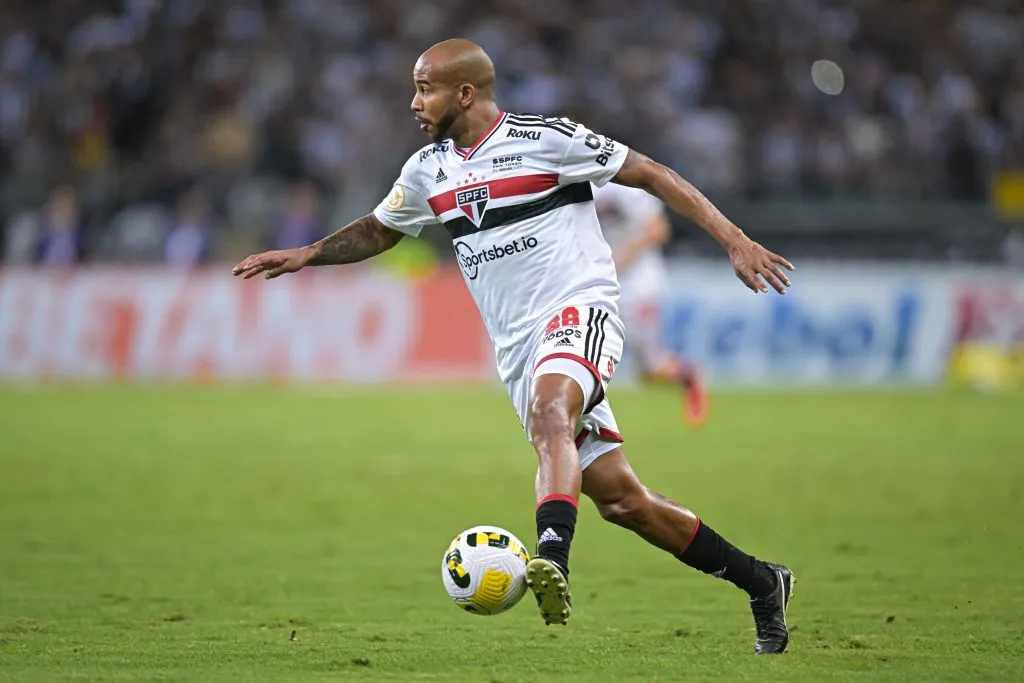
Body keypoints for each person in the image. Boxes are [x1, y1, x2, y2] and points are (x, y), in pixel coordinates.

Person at [233, 39, 796, 654]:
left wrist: (735, 239)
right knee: (623, 502)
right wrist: (309, 254)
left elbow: (651, 174)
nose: (415, 102)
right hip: (518, 348)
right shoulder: (426, 169)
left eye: (425, 89)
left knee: (550, 410)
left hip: (580, 309)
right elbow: (380, 230)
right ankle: (763, 582)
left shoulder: (547, 139)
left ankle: (552, 556)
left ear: (464, 93)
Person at [592, 181, 709, 426]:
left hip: (638, 286)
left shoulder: (625, 185)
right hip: (602, 285)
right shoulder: (581, 182)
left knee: (650, 370)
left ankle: (689, 375)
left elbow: (659, 229)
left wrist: (622, 259)